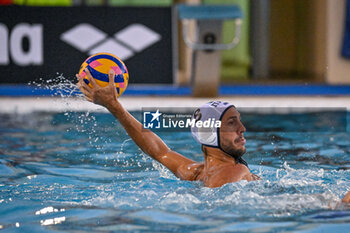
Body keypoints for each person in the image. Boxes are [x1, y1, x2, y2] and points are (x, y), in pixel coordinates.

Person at [76, 69, 349, 202]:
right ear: (210, 135)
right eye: (233, 124)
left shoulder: (195, 172)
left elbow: (159, 150)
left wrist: (114, 107)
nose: (243, 130)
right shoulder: (233, 175)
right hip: (324, 209)